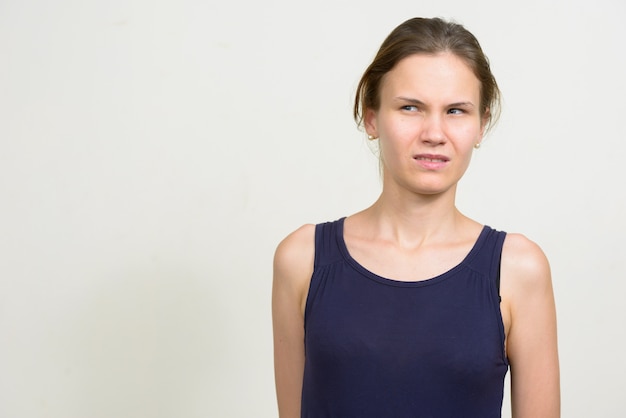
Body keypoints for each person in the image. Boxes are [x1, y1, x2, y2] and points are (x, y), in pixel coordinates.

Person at [272, 17, 559, 418]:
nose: (434, 133)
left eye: (456, 111)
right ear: (371, 117)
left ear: (481, 124)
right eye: (410, 107)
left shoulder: (519, 268)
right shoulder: (302, 259)